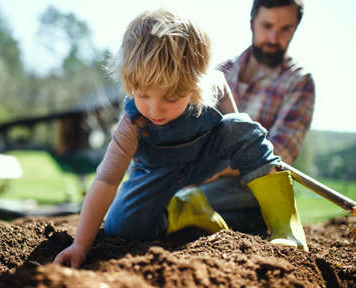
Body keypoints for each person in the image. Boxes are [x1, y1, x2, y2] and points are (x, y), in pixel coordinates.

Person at [54, 9, 308, 268]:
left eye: (171, 97)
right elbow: (106, 181)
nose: (155, 110)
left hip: (206, 160)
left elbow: (239, 134)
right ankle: (185, 208)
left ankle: (285, 228)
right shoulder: (133, 123)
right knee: (122, 225)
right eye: (143, 95)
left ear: (197, 84)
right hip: (156, 173)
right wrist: (80, 245)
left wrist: (256, 163)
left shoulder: (215, 86)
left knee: (239, 125)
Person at [199, 0, 315, 232]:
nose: (273, 38)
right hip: (201, 177)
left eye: (285, 29)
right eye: (267, 26)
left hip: (253, 185)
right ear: (252, 23)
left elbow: (280, 154)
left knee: (171, 206)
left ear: (295, 29)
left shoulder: (299, 82)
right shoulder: (218, 73)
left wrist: (211, 168)